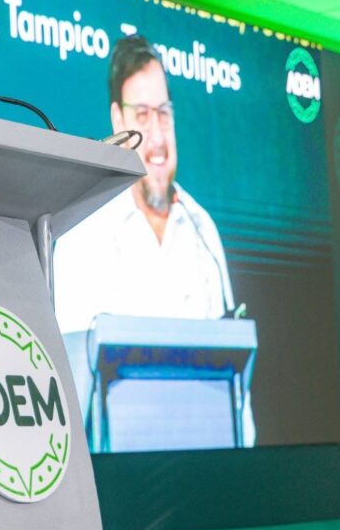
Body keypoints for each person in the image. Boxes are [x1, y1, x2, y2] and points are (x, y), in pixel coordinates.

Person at [53, 34, 254, 447]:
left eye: (163, 114)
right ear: (117, 120)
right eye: (141, 115)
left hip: (207, 471)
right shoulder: (82, 233)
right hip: (118, 485)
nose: (157, 135)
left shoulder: (203, 231)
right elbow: (66, 398)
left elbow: (236, 383)